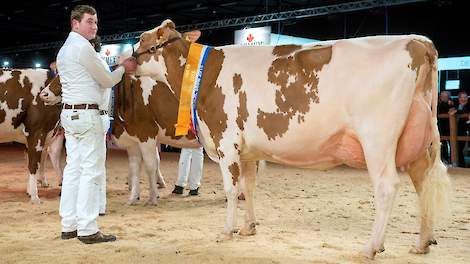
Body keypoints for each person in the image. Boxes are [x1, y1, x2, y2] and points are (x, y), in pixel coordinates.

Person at [57, 5, 136, 244]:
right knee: (91, 171)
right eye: (90, 21)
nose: (94, 26)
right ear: (75, 23)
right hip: (88, 116)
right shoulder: (83, 48)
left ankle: (69, 225)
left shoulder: (64, 50)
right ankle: (88, 229)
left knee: (73, 169)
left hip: (70, 114)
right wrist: (124, 67)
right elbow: (108, 80)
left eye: (96, 22)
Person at [90, 35, 111, 216]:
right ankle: (98, 205)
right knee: (95, 163)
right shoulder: (99, 64)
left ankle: (98, 205)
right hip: (98, 116)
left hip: (96, 116)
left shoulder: (96, 65)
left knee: (94, 164)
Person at [450, 91, 470, 167]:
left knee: (461, 147)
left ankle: (462, 164)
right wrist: (454, 110)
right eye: (461, 97)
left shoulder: (468, 105)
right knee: (456, 148)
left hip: (465, 129)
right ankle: (458, 164)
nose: (463, 99)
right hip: (455, 130)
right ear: (459, 98)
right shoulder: (456, 105)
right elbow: (450, 110)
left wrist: (456, 111)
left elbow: (466, 111)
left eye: (465, 97)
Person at [437, 91, 455, 164]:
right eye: (442, 96)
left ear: (449, 97)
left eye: (445, 96)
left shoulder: (451, 104)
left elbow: (451, 110)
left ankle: (452, 160)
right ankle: (443, 159)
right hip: (441, 127)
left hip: (451, 128)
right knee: (442, 144)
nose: (443, 98)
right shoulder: (438, 105)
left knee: (452, 144)